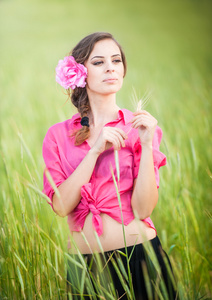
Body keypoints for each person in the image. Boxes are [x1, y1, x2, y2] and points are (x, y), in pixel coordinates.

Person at [42, 32, 177, 299]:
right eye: (99, 62)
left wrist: (147, 144)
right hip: (86, 269)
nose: (110, 68)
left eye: (116, 60)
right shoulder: (57, 135)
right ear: (80, 73)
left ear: (124, 69)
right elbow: (61, 206)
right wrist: (94, 151)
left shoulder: (140, 128)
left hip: (141, 257)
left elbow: (143, 209)